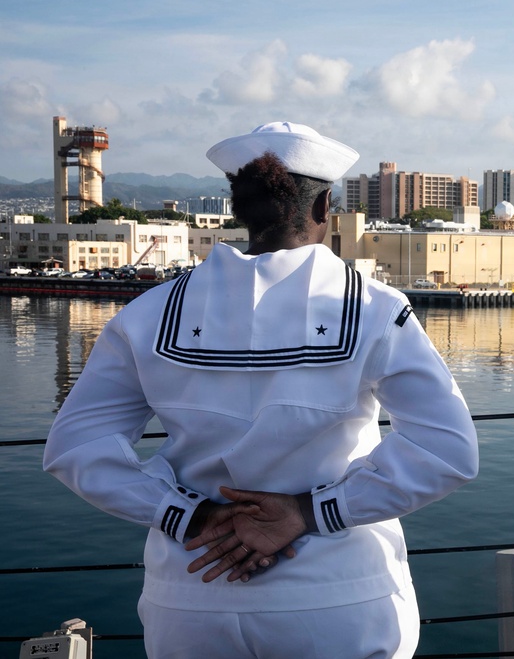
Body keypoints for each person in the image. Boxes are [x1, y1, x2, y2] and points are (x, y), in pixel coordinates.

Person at [43, 121, 479, 658]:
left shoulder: (148, 313)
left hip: (190, 594)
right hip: (338, 597)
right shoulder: (376, 310)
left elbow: (75, 448)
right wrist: (308, 512)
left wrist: (189, 515)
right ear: (324, 209)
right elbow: (447, 452)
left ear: (237, 209)